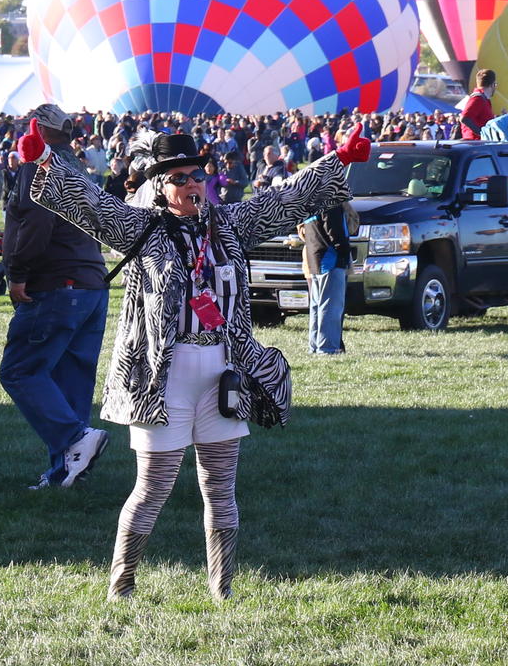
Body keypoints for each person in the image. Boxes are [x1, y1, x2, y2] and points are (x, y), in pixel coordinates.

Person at [19, 121, 369, 601]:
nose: (192, 184)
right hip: (161, 379)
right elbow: (93, 205)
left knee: (221, 489)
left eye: (198, 175)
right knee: (153, 487)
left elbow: (284, 199)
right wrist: (44, 160)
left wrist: (340, 159)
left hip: (223, 373)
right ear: (160, 187)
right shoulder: (142, 228)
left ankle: (222, 589)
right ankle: (121, 585)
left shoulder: (229, 224)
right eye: (179, 178)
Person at [0, 104, 110, 490]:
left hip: (57, 283)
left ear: (39, 131)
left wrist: (17, 273)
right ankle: (67, 471)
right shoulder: (78, 168)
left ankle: (74, 440)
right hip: (91, 283)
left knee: (19, 370)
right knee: (71, 380)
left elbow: (36, 222)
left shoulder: (39, 167)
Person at [301, 200, 353, 355]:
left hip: (315, 258)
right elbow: (334, 229)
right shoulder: (331, 201)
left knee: (317, 305)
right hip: (330, 259)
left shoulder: (310, 200)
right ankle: (327, 347)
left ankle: (315, 346)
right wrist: (344, 252)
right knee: (331, 306)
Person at [459, 69, 496, 140]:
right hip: (474, 143)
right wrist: (481, 133)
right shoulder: (478, 98)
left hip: (478, 142)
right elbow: (464, 118)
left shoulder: (484, 100)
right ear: (492, 85)